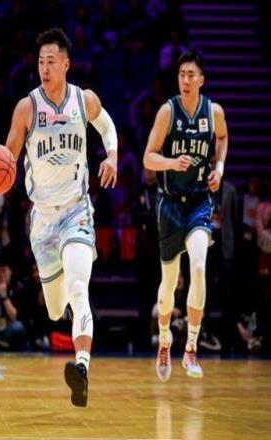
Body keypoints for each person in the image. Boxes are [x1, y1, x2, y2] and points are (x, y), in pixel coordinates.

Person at [5, 28, 118, 407]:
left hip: (76, 211)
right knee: (55, 309)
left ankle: (81, 366)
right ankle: (67, 307)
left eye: (51, 61)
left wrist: (112, 155)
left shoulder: (83, 100)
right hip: (42, 221)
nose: (45, 68)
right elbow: (7, 159)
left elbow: (107, 126)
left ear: (66, 64)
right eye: (40, 62)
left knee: (79, 289)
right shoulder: (27, 107)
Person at [143, 50, 228, 381]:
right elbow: (148, 158)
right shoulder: (168, 112)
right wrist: (171, 163)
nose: (186, 80)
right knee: (168, 282)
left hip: (200, 201)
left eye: (191, 75)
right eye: (182, 75)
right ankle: (165, 340)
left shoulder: (214, 112)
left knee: (199, 266)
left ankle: (191, 347)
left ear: (201, 80)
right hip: (170, 204)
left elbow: (223, 138)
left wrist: (219, 168)